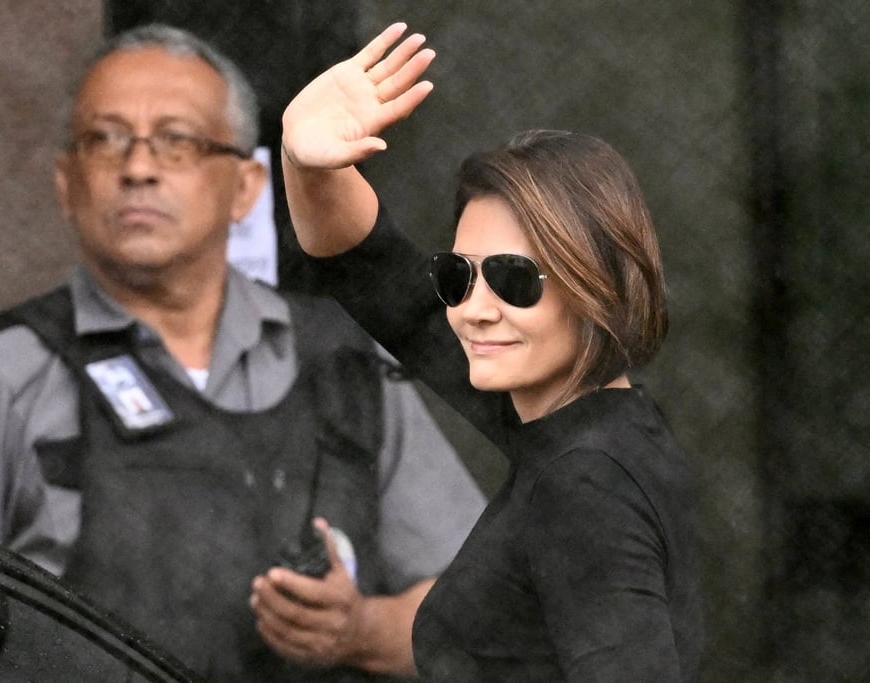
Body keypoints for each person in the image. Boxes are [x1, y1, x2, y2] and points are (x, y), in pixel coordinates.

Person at [0, 24, 485, 682]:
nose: (138, 169)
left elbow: (485, 620)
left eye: (176, 141)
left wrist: (360, 630)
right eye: (106, 139)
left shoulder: (346, 359)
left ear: (247, 186)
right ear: (65, 182)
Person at [264, 22, 704, 682]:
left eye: (514, 278)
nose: (474, 306)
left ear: (596, 288)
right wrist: (304, 157)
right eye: (458, 276)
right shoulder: (580, 421)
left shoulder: (587, 483)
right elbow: (369, 269)